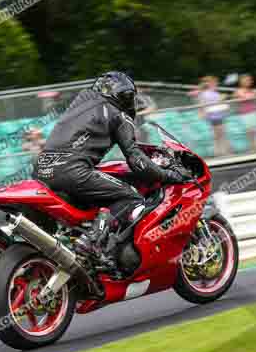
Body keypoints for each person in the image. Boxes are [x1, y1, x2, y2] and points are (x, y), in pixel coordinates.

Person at [35, 71, 188, 267]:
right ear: (125, 98)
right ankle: (91, 242)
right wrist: (169, 175)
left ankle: (80, 243)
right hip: (72, 171)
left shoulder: (82, 99)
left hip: (42, 169)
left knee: (95, 197)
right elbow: (136, 160)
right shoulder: (119, 115)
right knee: (130, 197)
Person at [198, 76, 231, 156]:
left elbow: (219, 103)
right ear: (209, 83)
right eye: (213, 82)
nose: (215, 84)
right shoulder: (205, 93)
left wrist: (223, 102)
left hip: (219, 115)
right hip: (213, 117)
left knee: (221, 133)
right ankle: (219, 152)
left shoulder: (216, 93)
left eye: (215, 83)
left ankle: (222, 151)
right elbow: (205, 103)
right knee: (218, 134)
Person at [233, 74, 256, 152]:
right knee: (249, 130)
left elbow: (254, 97)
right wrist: (250, 95)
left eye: (249, 80)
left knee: (254, 130)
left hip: (253, 112)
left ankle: (255, 147)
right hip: (245, 113)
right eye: (246, 80)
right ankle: (252, 148)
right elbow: (245, 97)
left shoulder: (252, 90)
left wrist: (251, 95)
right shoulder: (238, 90)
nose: (249, 82)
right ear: (242, 82)